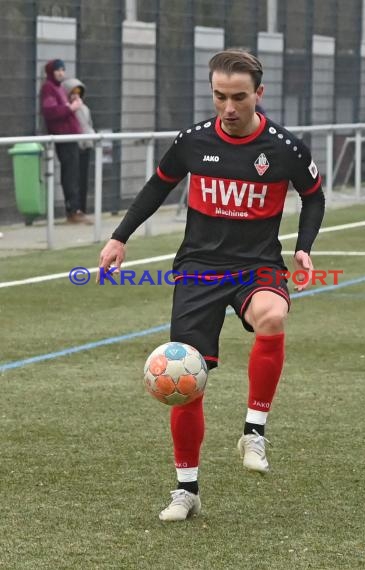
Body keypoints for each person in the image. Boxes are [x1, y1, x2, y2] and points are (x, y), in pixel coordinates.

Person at [98, 49, 325, 522]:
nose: (228, 107)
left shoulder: (284, 148)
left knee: (273, 315)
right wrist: (120, 237)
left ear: (258, 94)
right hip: (199, 268)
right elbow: (157, 186)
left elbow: (313, 196)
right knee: (186, 380)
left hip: (257, 265)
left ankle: (254, 431)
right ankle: (187, 491)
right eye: (220, 96)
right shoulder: (192, 142)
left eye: (239, 97)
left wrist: (303, 246)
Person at [40, 59, 91, 224]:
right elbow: (50, 111)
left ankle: (75, 209)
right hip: (63, 136)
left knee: (74, 173)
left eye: (63, 69)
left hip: (71, 136)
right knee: (70, 174)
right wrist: (70, 108)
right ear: (51, 72)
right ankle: (73, 210)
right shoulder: (49, 87)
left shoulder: (58, 87)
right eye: (58, 70)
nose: (61, 73)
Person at [62, 78, 96, 214]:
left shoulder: (85, 109)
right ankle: (74, 209)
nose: (76, 95)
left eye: (78, 92)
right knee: (73, 179)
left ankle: (82, 208)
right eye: (72, 93)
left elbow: (88, 125)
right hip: (75, 147)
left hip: (86, 146)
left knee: (83, 179)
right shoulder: (68, 109)